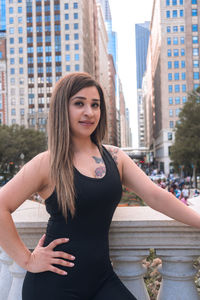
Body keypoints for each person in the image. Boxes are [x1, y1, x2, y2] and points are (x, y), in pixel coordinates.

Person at [0, 72, 200, 300]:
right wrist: (27, 260)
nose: (89, 112)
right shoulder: (47, 163)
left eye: (95, 105)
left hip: (102, 280)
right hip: (53, 285)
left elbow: (156, 196)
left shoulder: (115, 157)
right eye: (79, 104)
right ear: (61, 109)